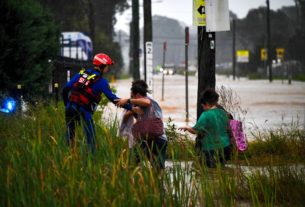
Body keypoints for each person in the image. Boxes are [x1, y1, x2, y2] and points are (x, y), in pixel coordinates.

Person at [62, 53, 132, 153]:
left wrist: (66, 104)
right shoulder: (102, 81)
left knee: (69, 137)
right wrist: (131, 107)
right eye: (108, 66)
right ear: (103, 66)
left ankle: (68, 157)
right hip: (84, 111)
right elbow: (114, 99)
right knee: (91, 140)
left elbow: (66, 89)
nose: (108, 68)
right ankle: (91, 159)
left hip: (69, 108)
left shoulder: (81, 74)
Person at [116, 80, 167, 170]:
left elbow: (147, 102)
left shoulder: (149, 100)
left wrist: (128, 100)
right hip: (146, 140)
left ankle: (158, 183)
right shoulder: (138, 106)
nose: (132, 98)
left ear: (137, 95)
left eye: (132, 96)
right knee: (132, 161)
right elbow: (132, 115)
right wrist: (128, 111)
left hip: (159, 140)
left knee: (158, 168)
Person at [179, 88, 231, 168]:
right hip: (226, 147)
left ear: (206, 103)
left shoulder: (205, 115)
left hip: (211, 149)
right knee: (220, 171)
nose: (203, 107)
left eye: (203, 105)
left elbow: (195, 130)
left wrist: (187, 127)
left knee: (206, 171)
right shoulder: (223, 113)